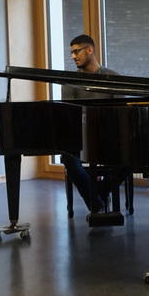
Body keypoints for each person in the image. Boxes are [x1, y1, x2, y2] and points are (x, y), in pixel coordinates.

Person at [60, 35, 119, 213]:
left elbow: (120, 113)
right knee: (68, 158)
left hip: (110, 137)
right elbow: (70, 115)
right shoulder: (70, 81)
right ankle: (98, 202)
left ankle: (99, 193)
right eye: (71, 53)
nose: (73, 56)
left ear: (90, 50)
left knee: (132, 158)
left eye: (76, 51)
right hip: (81, 138)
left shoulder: (113, 77)